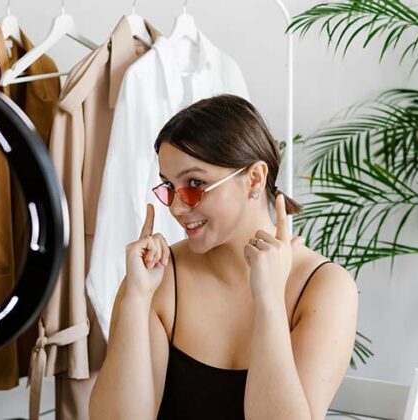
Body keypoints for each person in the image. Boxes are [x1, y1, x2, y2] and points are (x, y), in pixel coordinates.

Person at [89, 94, 358, 419]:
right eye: (169, 188)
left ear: (255, 178)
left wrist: (269, 300)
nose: (176, 207)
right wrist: (135, 299)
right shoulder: (159, 278)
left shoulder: (325, 288)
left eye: (194, 184)